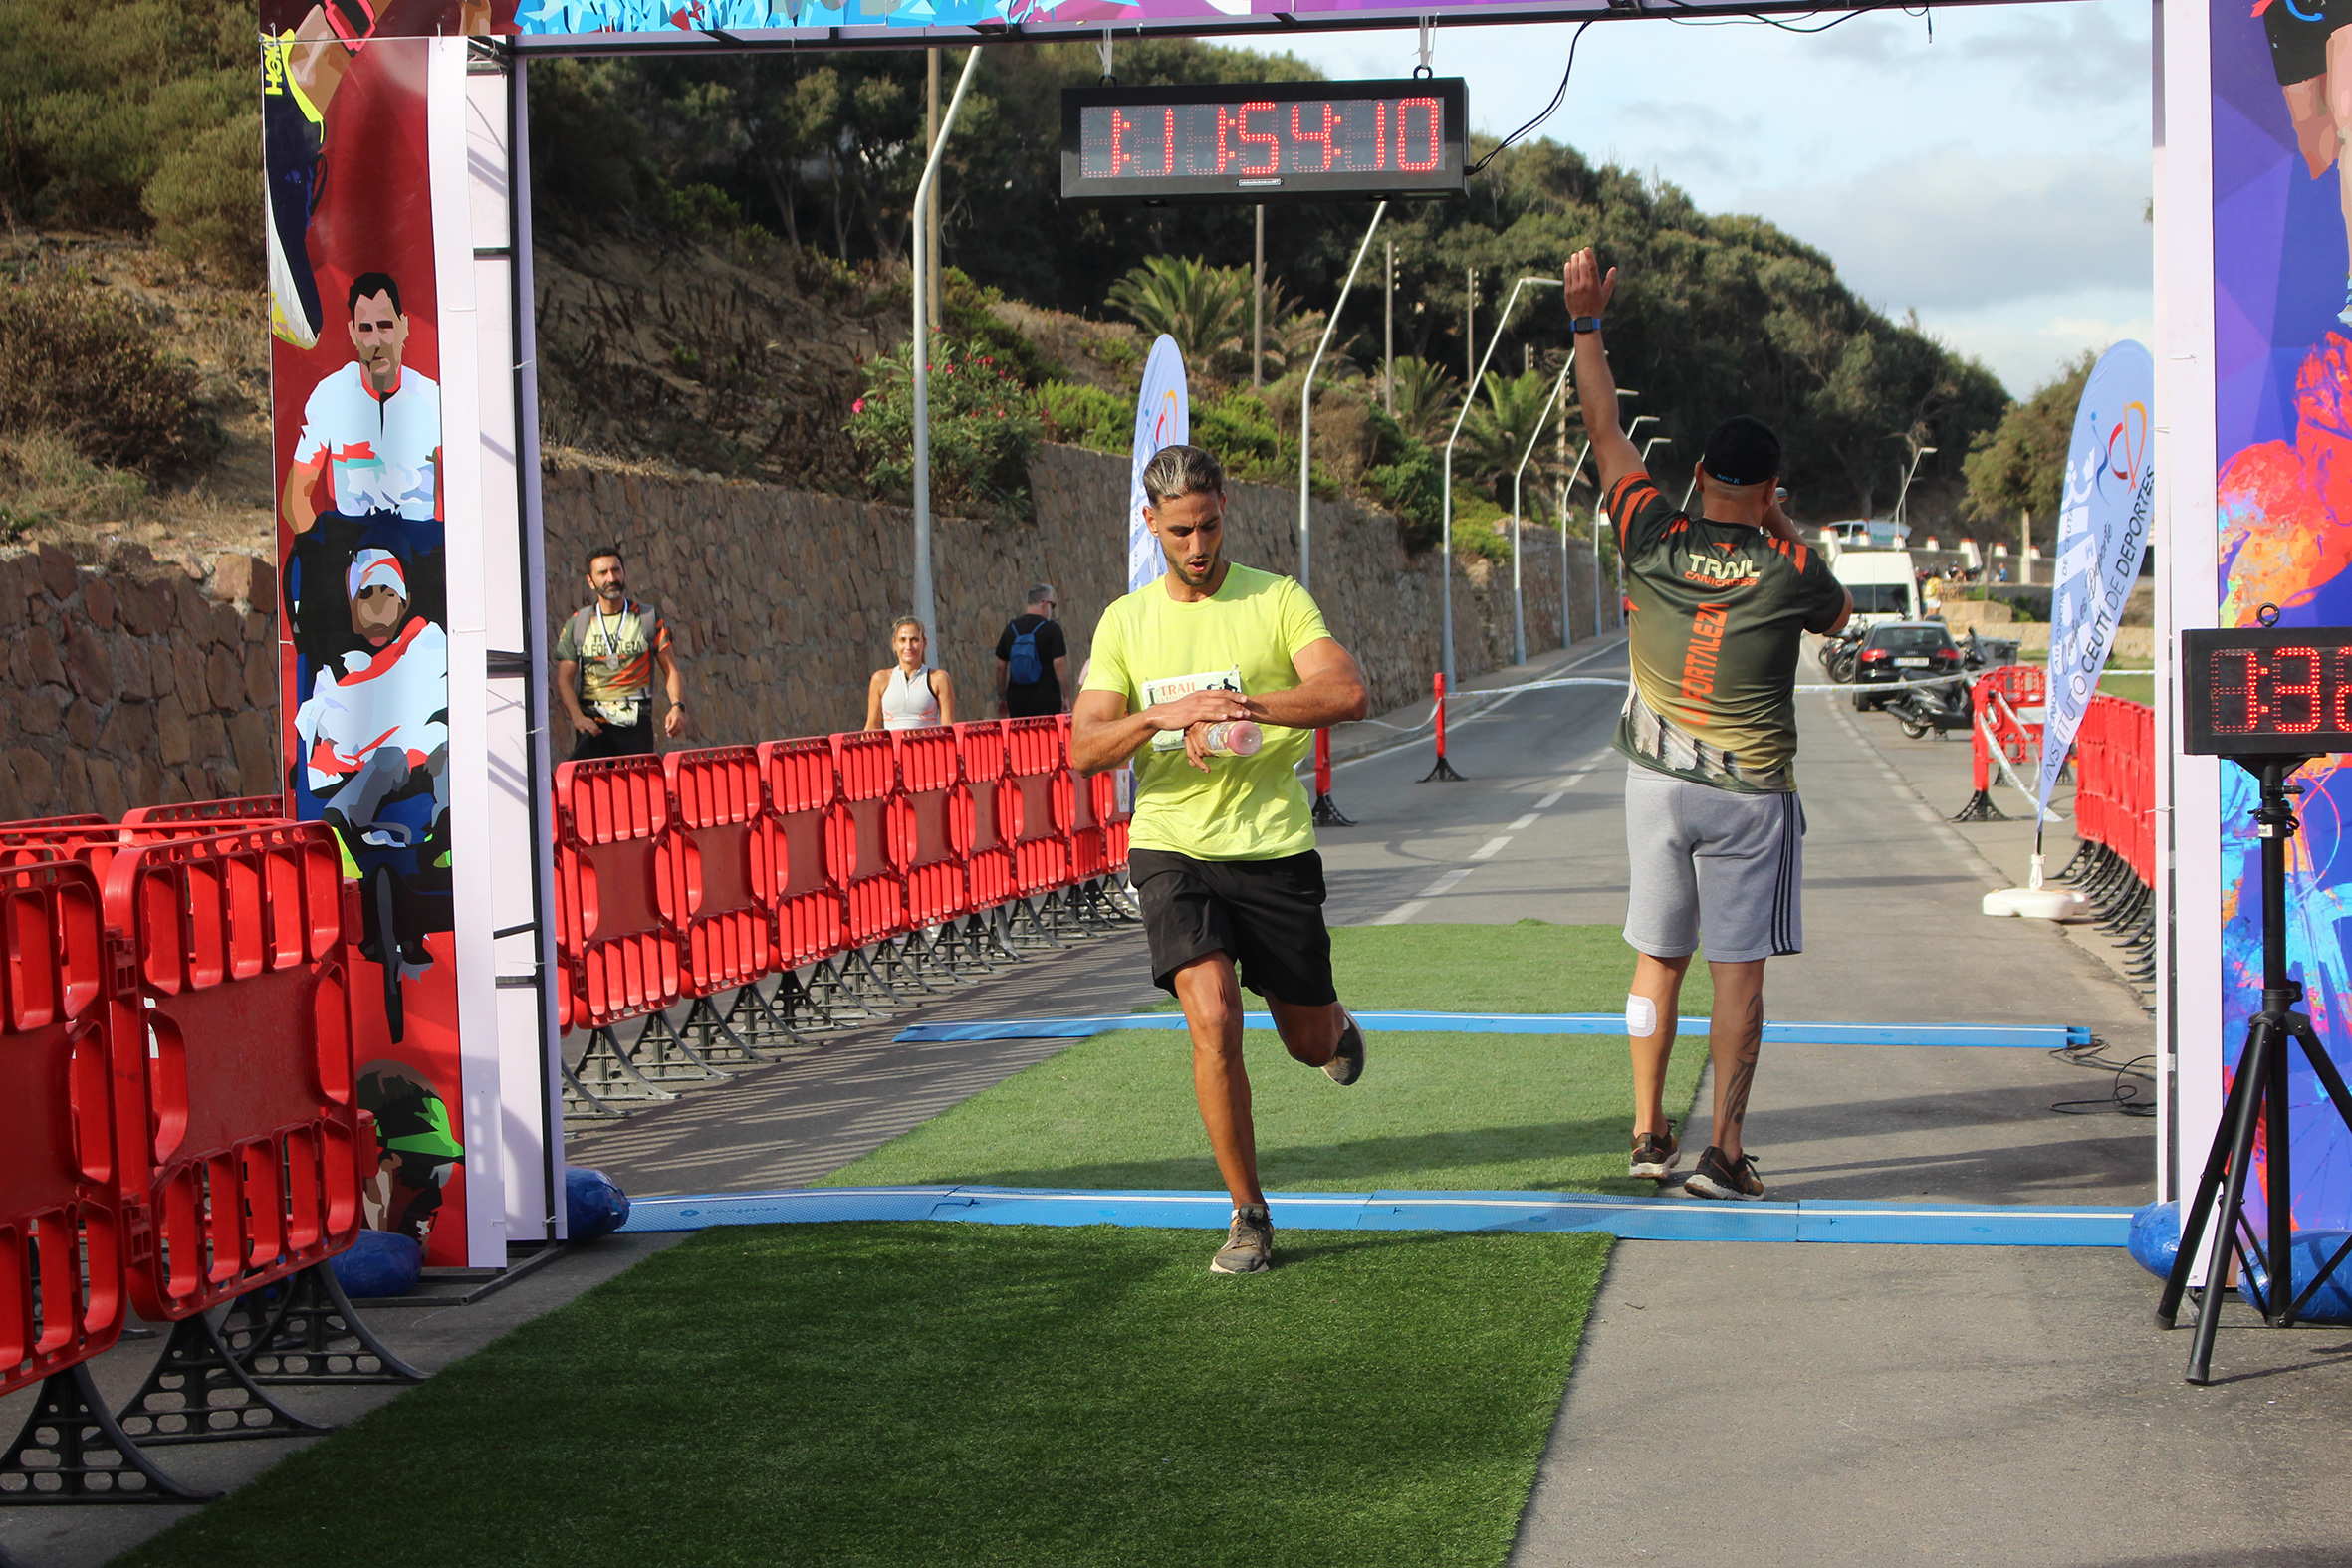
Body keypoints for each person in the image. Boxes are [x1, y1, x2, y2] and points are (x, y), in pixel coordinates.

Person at [1562, 246, 1853, 1203]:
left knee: (1658, 960)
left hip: (1656, 782)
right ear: (1771, 490)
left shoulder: (1649, 528)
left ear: (1695, 474)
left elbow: (1604, 425)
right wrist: (1782, 528)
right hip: (1749, 795)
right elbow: (1839, 617)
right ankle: (1723, 1154)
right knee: (1738, 977)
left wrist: (1588, 324)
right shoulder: (1791, 568)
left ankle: (1648, 1134)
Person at [1070, 443, 1371, 1274]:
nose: (1197, 546)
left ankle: (1333, 1023)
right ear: (1151, 524)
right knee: (1211, 1015)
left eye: (1207, 526)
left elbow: (1347, 691)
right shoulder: (1126, 621)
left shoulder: (1276, 599)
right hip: (1172, 845)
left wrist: (1241, 706)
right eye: (1180, 532)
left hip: (1272, 846)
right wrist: (1163, 716)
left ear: (1224, 510)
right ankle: (1248, 1214)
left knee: (1306, 1042)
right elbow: (1085, 747)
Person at [555, 546, 685, 759]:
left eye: (616, 570)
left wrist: (677, 706)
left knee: (637, 782)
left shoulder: (647, 618)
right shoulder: (578, 623)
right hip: (593, 730)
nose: (611, 578)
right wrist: (577, 718)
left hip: (636, 729)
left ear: (624, 573)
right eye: (603, 573)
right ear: (590, 581)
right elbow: (563, 679)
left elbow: (670, 669)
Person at [865, 616, 958, 731]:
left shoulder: (938, 678)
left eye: (914, 640)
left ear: (924, 643)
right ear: (894, 644)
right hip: (893, 743)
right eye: (902, 640)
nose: (908, 646)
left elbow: (948, 725)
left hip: (926, 742)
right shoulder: (880, 679)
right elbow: (872, 726)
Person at [996, 583, 1071, 718]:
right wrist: (1067, 695)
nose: (1051, 611)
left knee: (1020, 732)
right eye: (1052, 606)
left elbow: (1001, 667)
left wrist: (1002, 696)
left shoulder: (1011, 629)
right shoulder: (1052, 629)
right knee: (1046, 732)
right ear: (1044, 603)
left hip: (1017, 700)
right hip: (1046, 699)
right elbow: (1059, 663)